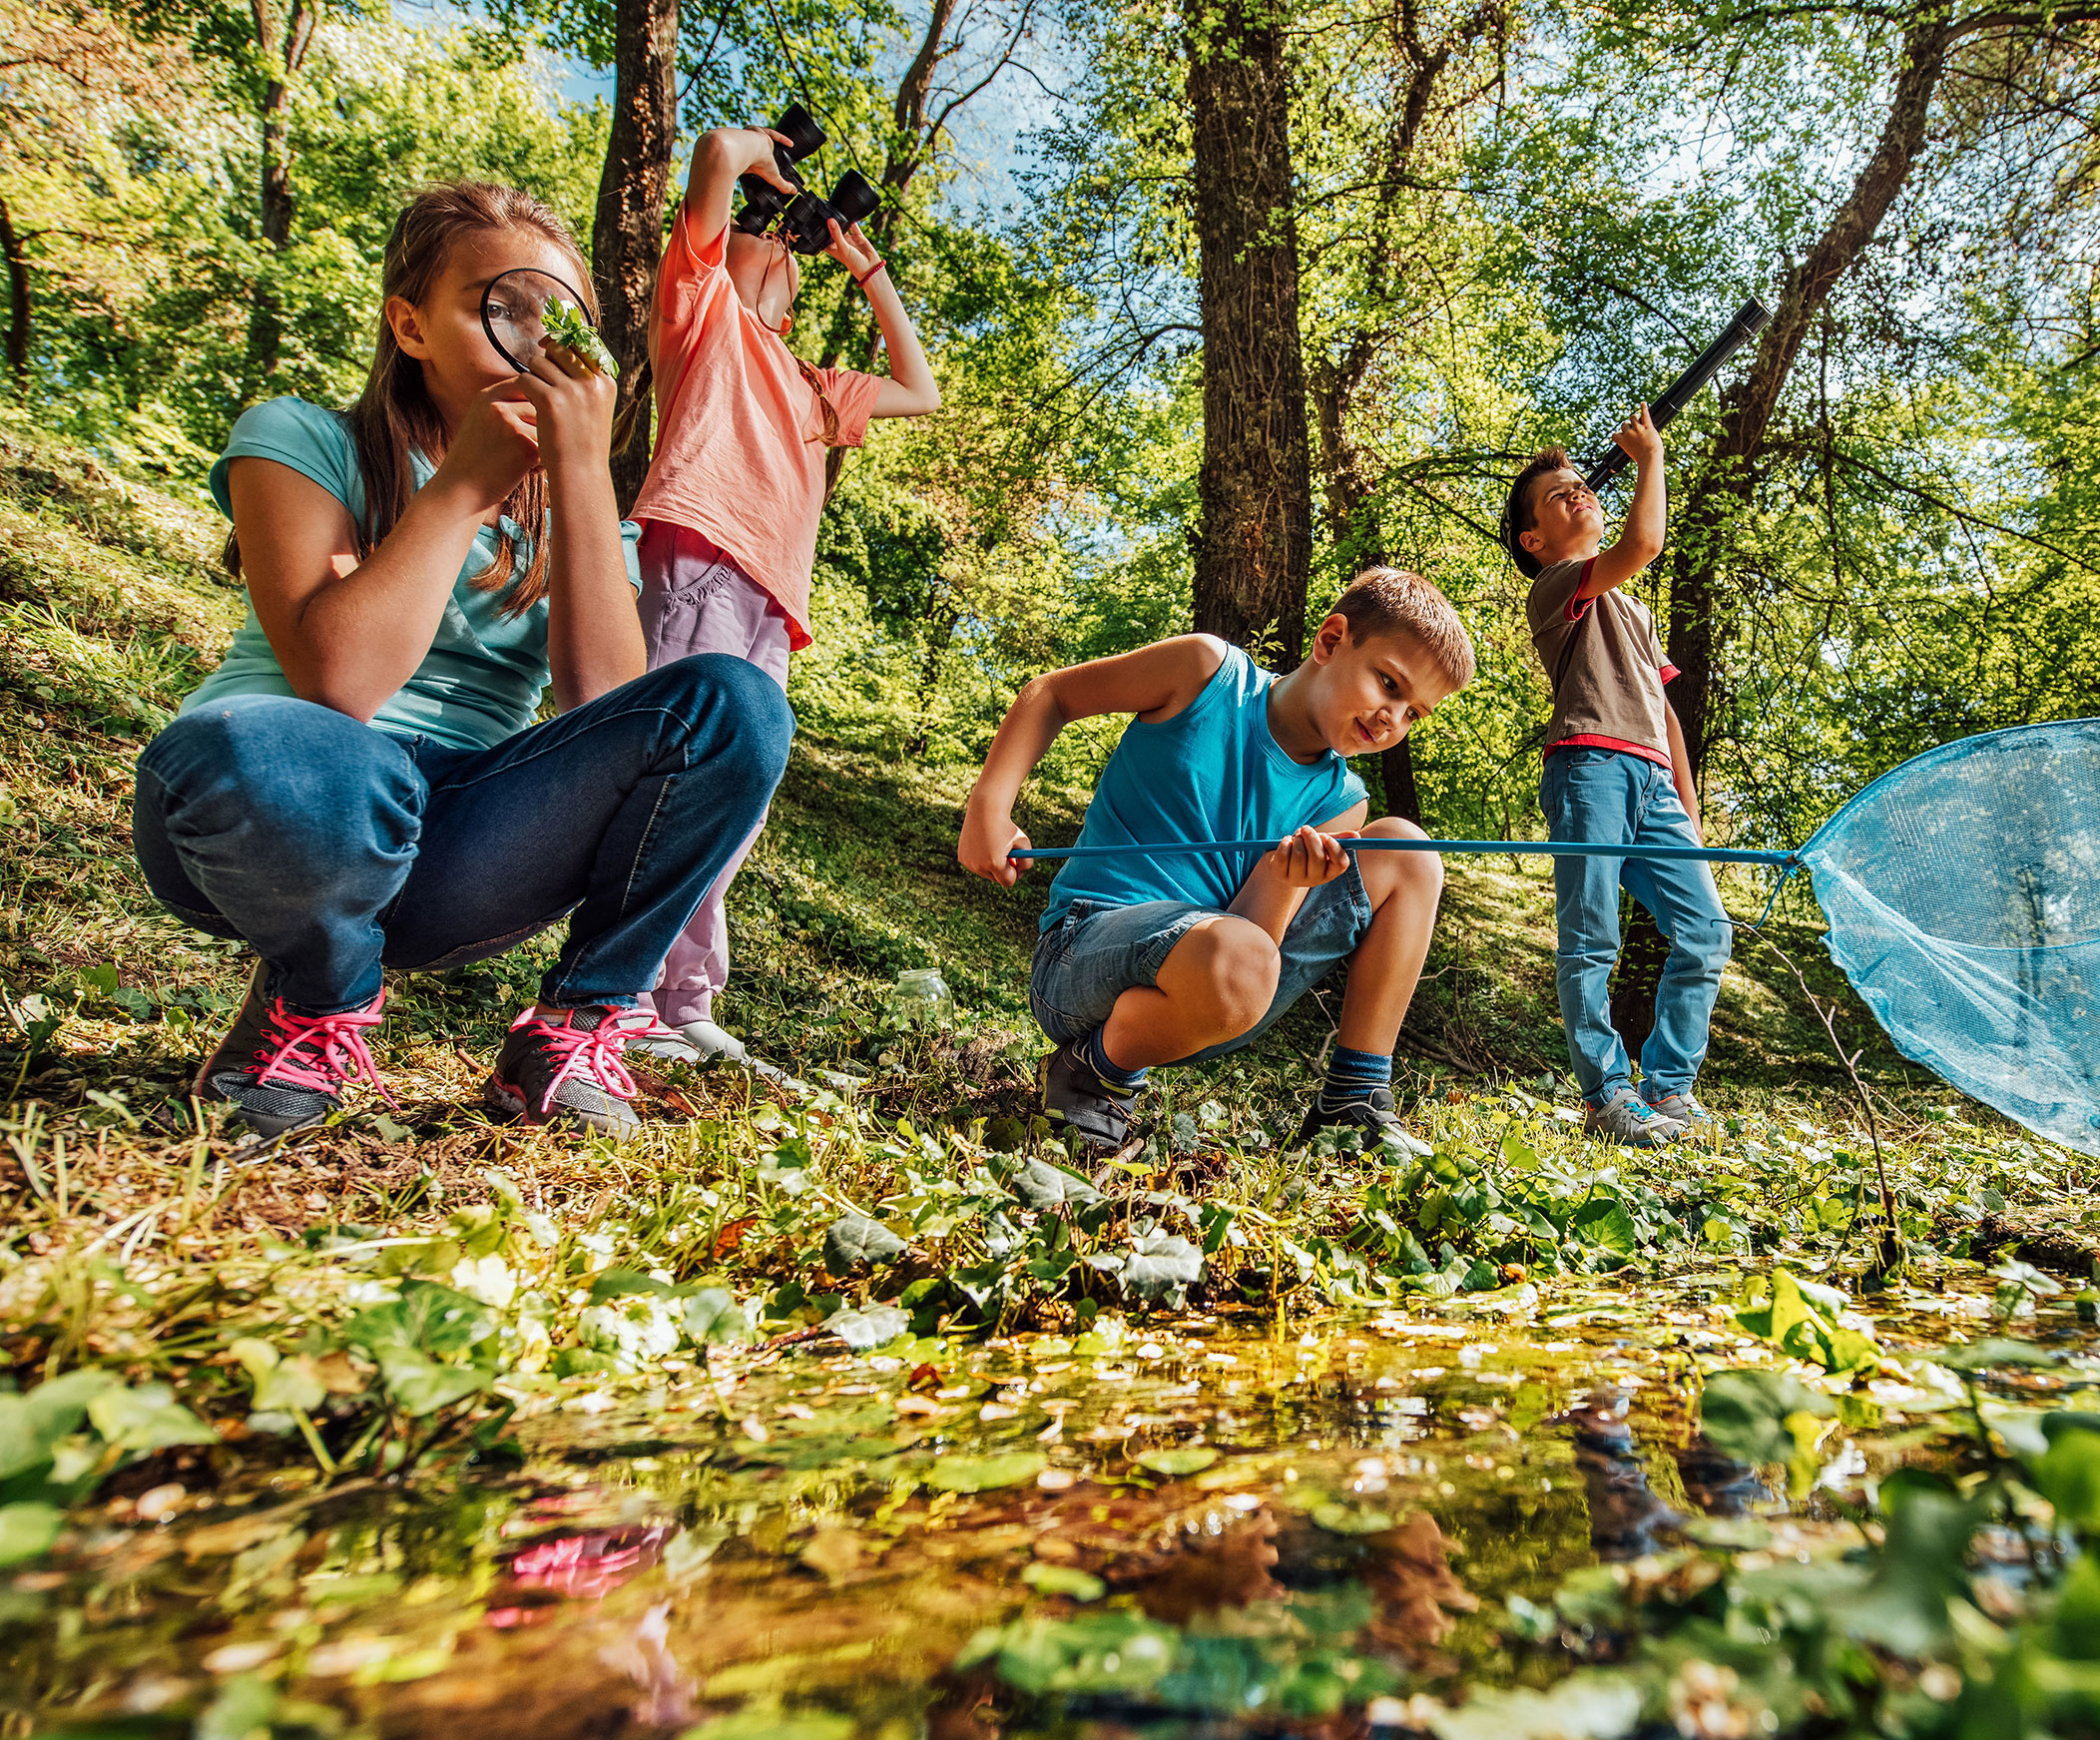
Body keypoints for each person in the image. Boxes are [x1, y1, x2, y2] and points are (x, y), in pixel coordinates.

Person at [132, 183, 792, 1144]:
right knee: (251, 748)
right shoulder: (299, 438)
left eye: (558, 322)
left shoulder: (587, 518)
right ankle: (311, 1006)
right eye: (503, 309)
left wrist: (577, 476)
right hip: (282, 794)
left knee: (735, 703)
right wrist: (464, 489)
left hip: (462, 847)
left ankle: (575, 1030)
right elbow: (341, 682)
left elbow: (610, 708)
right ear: (410, 325)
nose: (534, 344)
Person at [620, 127, 942, 1070]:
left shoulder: (813, 387)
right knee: (668, 779)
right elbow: (718, 152)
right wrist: (766, 168)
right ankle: (623, 990)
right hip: (700, 557)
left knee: (733, 805)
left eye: (781, 242)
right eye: (755, 232)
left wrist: (860, 259)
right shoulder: (700, 312)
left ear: (796, 300)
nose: (768, 242)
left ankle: (684, 1000)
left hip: (771, 603)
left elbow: (920, 390)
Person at [956, 569, 1474, 1156]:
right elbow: (1054, 695)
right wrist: (988, 807)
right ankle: (1095, 1071)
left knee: (1408, 852)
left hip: (1211, 991)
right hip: (1081, 956)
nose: (1392, 720)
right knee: (1242, 957)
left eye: (1414, 714)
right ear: (1330, 641)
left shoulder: (1342, 802)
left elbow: (1251, 943)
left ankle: (1353, 1096)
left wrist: (1283, 880)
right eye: (1389, 684)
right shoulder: (1205, 673)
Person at [1504, 407, 1730, 1146]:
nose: (1579, 495)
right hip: (1589, 767)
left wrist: (1688, 817)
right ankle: (1608, 1095)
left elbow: (1666, 717)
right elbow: (1645, 540)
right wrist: (1650, 460)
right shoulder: (1560, 586)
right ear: (1534, 541)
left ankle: (1670, 1090)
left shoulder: (1632, 608)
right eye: (1558, 496)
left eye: (1582, 486)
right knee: (1592, 938)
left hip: (1654, 781)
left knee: (1704, 929)